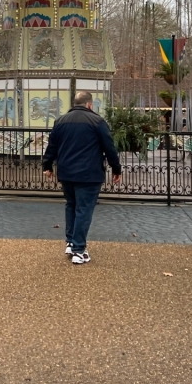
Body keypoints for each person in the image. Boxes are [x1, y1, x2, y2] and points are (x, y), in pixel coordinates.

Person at [42, 91, 121, 265]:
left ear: (75, 103)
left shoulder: (60, 121)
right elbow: (109, 147)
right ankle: (79, 249)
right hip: (89, 173)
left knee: (71, 205)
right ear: (89, 105)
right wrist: (116, 168)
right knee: (84, 209)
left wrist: (47, 165)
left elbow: (52, 146)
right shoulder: (97, 121)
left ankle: (71, 242)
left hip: (66, 172)